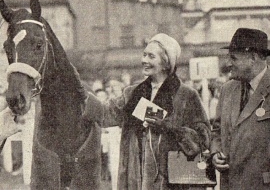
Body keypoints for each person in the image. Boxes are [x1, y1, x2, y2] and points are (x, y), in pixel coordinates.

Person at [83, 33, 211, 190]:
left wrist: (170, 127)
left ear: (166, 63)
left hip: (172, 182)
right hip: (136, 181)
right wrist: (79, 94)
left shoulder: (186, 95)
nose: (144, 60)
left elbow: (203, 138)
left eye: (151, 56)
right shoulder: (132, 93)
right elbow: (105, 114)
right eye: (144, 55)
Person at [211, 28, 270, 190]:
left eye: (233, 58)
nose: (228, 63)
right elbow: (216, 130)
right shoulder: (227, 89)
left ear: (253, 57)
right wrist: (215, 153)